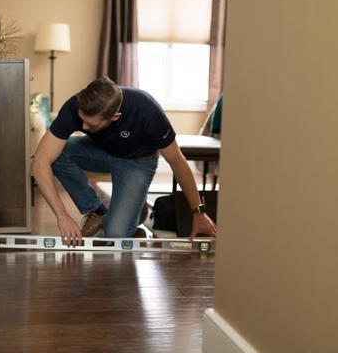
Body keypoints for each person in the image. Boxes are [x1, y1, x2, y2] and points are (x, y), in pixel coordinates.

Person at [32, 77, 217, 246]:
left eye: (91, 125)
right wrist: (62, 215)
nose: (83, 127)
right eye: (82, 120)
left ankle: (136, 205)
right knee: (57, 153)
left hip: (138, 162)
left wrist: (199, 213)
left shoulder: (147, 110)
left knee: (114, 234)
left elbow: (178, 163)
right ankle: (96, 211)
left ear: (115, 117)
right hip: (100, 151)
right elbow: (40, 161)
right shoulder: (76, 106)